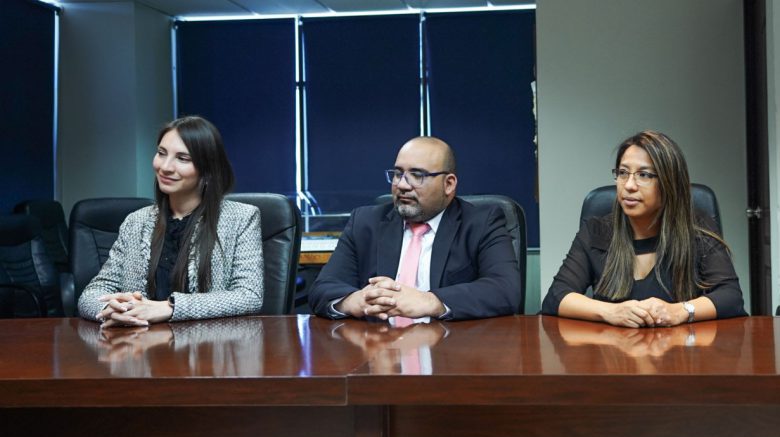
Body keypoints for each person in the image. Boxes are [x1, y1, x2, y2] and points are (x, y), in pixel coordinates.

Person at [541, 130, 745, 327]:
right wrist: (611, 312)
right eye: (623, 173)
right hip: (613, 348)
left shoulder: (697, 230)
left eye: (644, 175)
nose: (629, 185)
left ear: (669, 183)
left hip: (681, 347)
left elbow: (730, 296)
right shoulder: (597, 231)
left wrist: (680, 311)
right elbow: (557, 296)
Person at [78, 116, 264, 327]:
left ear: (207, 169)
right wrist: (111, 309)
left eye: (182, 158)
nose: (165, 167)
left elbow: (249, 295)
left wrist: (169, 308)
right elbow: (92, 293)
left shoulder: (241, 218)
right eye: (161, 153)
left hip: (209, 343)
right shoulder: (136, 221)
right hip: (141, 343)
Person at [310, 136, 520, 321]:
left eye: (417, 175)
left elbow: (505, 290)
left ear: (448, 184)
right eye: (397, 174)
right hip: (380, 346)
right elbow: (323, 288)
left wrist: (430, 301)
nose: (402, 185)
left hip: (450, 347)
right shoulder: (365, 222)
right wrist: (355, 300)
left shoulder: (481, 223)